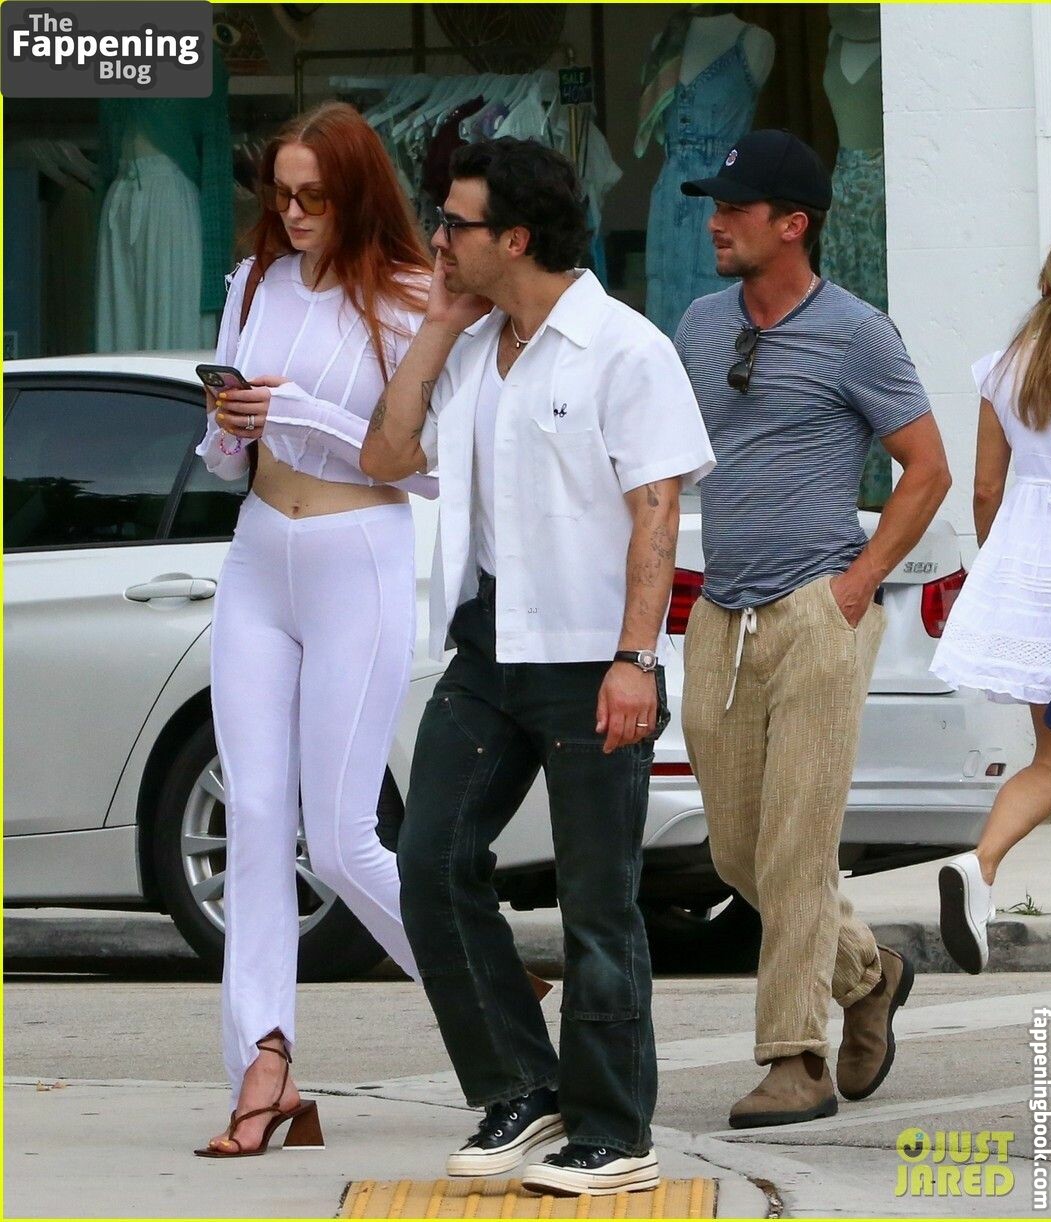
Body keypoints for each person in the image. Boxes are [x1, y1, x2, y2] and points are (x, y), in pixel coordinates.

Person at [360, 137, 715, 1196]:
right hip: (486, 647)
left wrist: (635, 659)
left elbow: (657, 510)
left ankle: (614, 1132)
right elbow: (385, 458)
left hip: (591, 658)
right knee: (429, 864)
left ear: (514, 237)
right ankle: (521, 1086)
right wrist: (434, 327)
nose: (437, 239)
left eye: (454, 223)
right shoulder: (474, 348)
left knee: (597, 903)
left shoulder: (624, 348)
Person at [676, 130, 952, 1129]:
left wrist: (857, 584)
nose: (716, 222)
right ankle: (871, 974)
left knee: (795, 847)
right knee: (737, 853)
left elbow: (927, 468)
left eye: (735, 209)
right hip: (719, 610)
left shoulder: (857, 332)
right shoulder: (698, 325)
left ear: (792, 224)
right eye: (715, 205)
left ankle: (795, 1060)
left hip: (816, 608)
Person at [191, 102, 436, 1157]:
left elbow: (424, 463)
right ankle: (264, 1062)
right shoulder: (253, 283)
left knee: (339, 839)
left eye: (314, 198)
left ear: (356, 195)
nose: (292, 215)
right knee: (252, 816)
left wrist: (300, 412)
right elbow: (225, 456)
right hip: (258, 553)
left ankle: (475, 981)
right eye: (280, 195)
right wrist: (230, 424)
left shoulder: (412, 297)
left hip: (357, 556)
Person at [932, 239, 1051, 974]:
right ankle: (978, 866)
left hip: (1034, 587)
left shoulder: (1005, 368)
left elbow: (986, 490)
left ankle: (978, 865)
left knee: (1050, 761)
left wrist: (1007, 575)